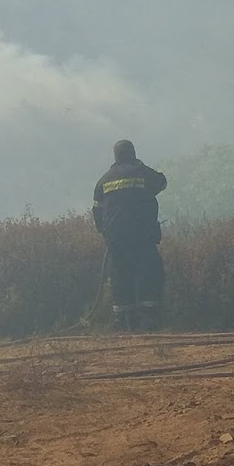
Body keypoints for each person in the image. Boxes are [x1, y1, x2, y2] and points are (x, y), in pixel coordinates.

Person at [92, 139, 168, 330]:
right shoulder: (141, 172)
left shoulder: (104, 179)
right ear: (133, 153)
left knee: (120, 275)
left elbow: (97, 211)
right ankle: (149, 320)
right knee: (148, 272)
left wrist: (106, 232)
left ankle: (124, 321)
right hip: (142, 235)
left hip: (116, 240)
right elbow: (161, 182)